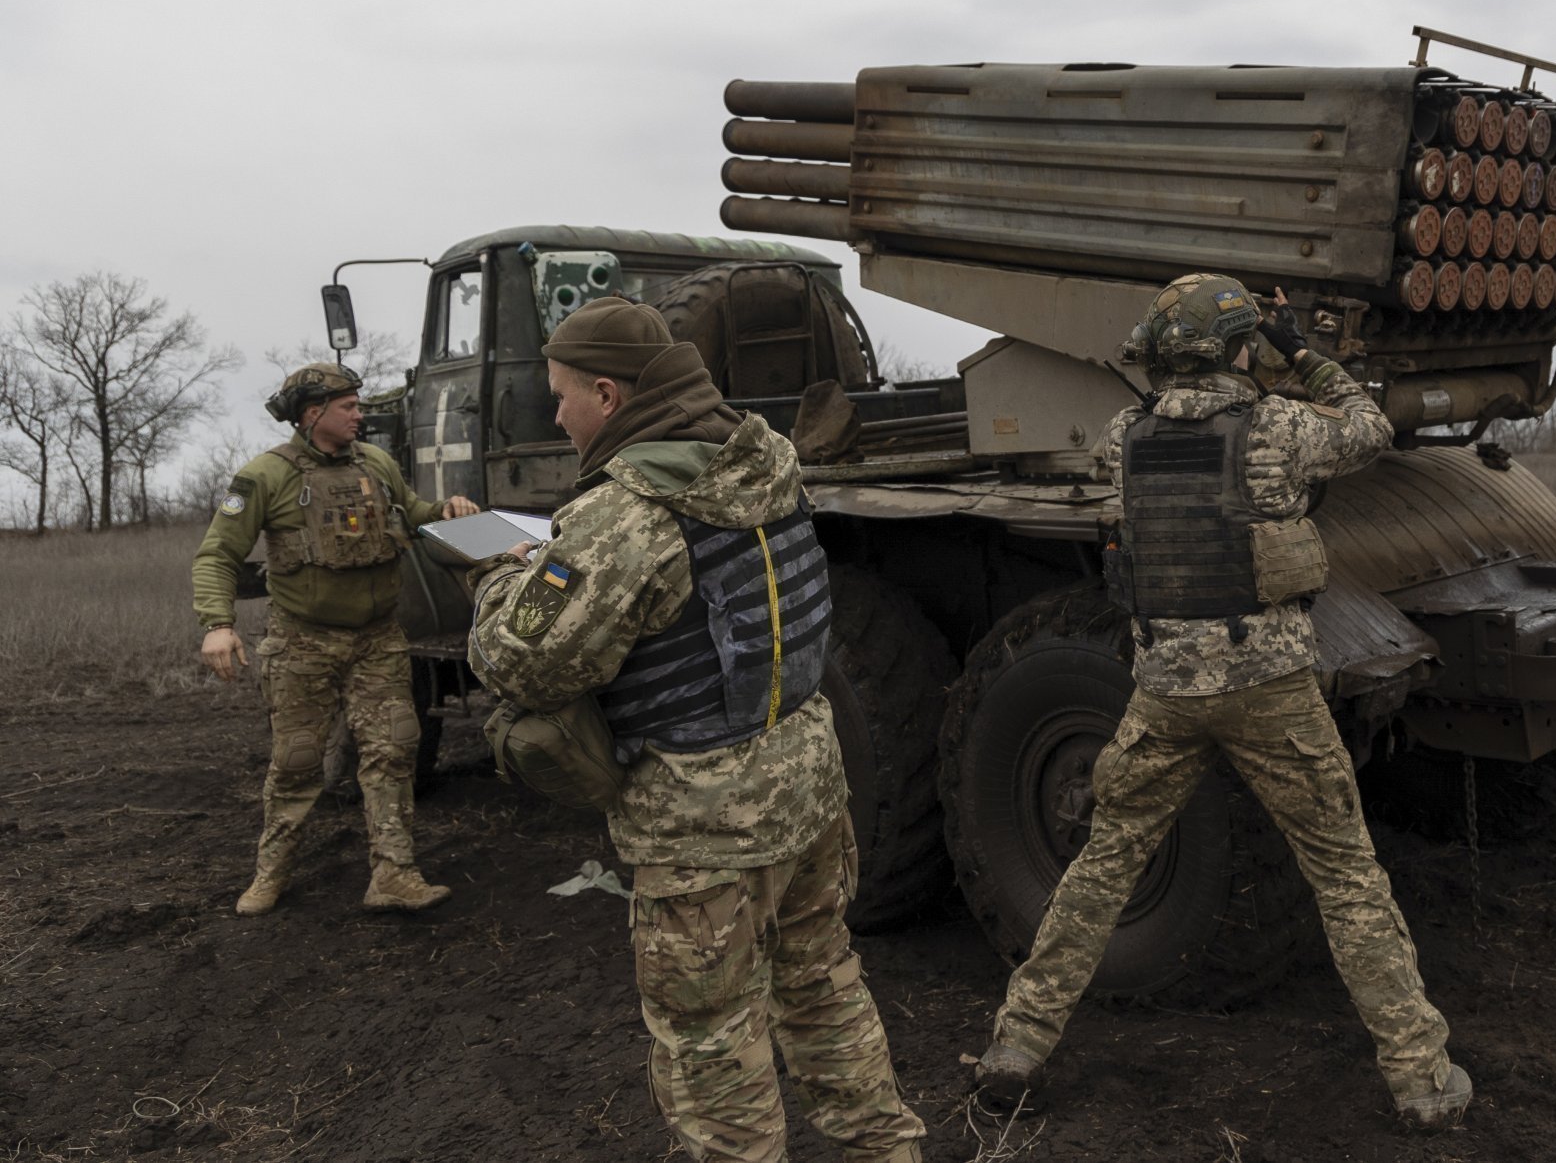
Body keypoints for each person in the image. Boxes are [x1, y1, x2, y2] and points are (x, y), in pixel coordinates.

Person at [974, 274, 1473, 1131]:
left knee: (1099, 867)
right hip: (1268, 690)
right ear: (1241, 347)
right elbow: (1368, 423)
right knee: (1346, 875)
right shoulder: (1277, 427)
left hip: (1163, 690)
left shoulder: (1122, 439)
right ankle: (1422, 1078)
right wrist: (1297, 348)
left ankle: (1014, 1048)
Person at [467, 297, 925, 1163]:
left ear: (608, 394)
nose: (555, 414)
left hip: (702, 823)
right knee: (824, 987)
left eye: (561, 395)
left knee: (712, 1044)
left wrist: (499, 580)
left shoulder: (624, 513)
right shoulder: (760, 460)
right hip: (808, 781)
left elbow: (520, 662)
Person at [194, 362, 477, 917]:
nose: (359, 414)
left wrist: (447, 511)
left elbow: (413, 514)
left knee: (393, 752)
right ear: (312, 412)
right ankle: (271, 873)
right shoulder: (265, 476)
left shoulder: (376, 464)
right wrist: (217, 624)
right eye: (348, 406)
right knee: (297, 762)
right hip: (303, 645)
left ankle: (394, 875)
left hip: (377, 642)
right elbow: (217, 554)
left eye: (358, 404)